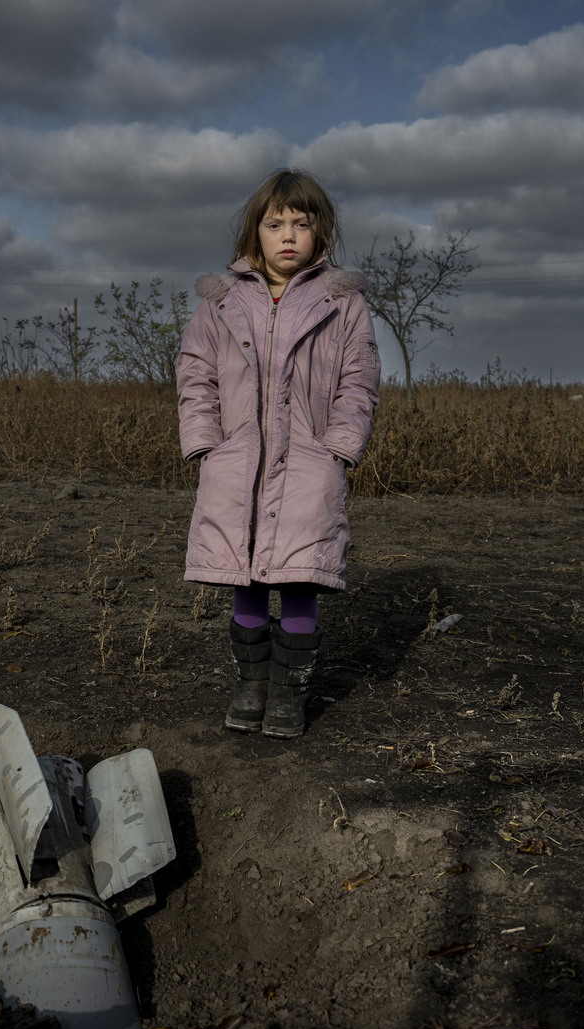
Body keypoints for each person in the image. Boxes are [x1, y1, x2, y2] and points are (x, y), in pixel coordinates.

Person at [175, 168, 381, 738]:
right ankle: (251, 685)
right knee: (244, 576)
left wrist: (339, 448)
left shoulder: (342, 304)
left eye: (301, 224)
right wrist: (205, 441)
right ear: (254, 234)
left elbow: (359, 380)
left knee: (298, 576)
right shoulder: (221, 303)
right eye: (275, 224)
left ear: (321, 233)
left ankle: (289, 696)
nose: (288, 235)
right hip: (238, 464)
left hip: (310, 464)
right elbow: (196, 373)